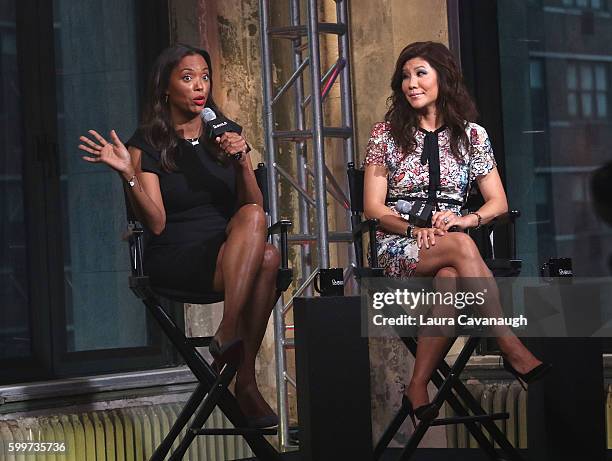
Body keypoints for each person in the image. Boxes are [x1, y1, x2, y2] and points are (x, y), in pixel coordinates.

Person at [78, 44, 279, 429]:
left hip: (230, 252)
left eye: (204, 76)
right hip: (176, 256)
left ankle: (234, 346)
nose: (199, 85)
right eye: (187, 78)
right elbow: (154, 223)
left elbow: (253, 207)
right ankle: (243, 371)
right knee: (265, 256)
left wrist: (241, 163)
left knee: (262, 238)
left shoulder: (226, 134)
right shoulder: (147, 144)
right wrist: (128, 174)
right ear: (165, 88)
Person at [363, 41, 550, 423]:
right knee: (461, 248)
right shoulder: (385, 135)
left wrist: (467, 219)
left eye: (420, 73)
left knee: (449, 276)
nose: (410, 83)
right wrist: (414, 229)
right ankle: (507, 343)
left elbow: (497, 202)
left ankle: (417, 386)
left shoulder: (473, 136)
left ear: (443, 79)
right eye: (404, 76)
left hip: (450, 249)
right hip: (398, 245)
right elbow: (373, 208)